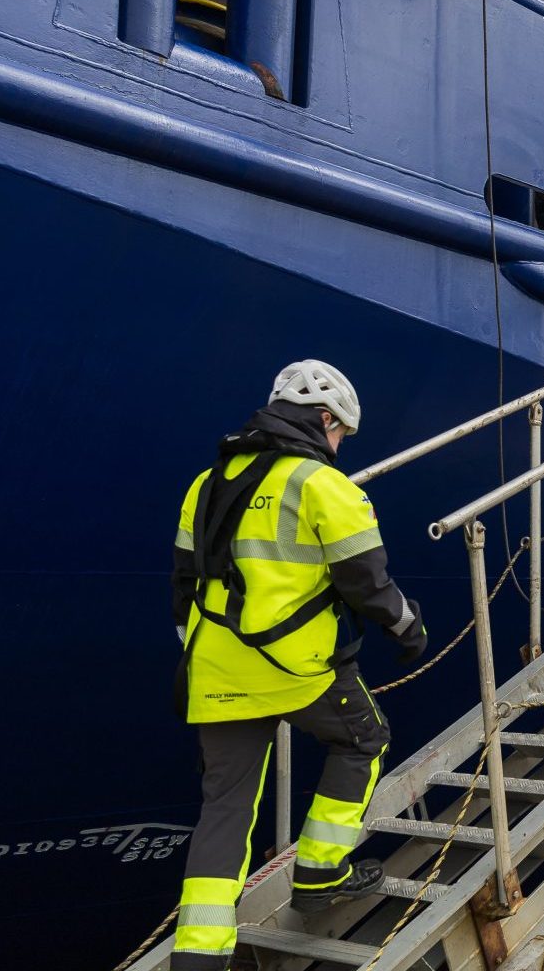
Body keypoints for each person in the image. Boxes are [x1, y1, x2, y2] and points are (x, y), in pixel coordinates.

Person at [168, 360, 431, 971]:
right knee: (364, 739)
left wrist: (204, 654)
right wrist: (407, 628)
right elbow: (369, 584)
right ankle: (317, 875)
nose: (339, 445)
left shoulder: (205, 484)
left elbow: (182, 587)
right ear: (322, 419)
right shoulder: (320, 485)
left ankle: (198, 958)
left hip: (215, 672)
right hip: (298, 671)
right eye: (340, 432)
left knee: (225, 808)